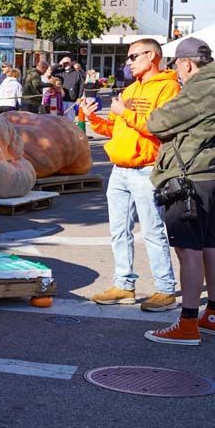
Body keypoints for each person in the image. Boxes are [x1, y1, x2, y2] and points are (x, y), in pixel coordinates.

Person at [141, 38, 215, 346]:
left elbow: (157, 122)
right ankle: (213, 314)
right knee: (209, 243)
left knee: (188, 249)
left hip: (190, 177)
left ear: (186, 63)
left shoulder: (202, 86)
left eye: (178, 68)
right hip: (212, 175)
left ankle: (187, 323)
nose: (177, 74)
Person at [79, 37, 180, 310]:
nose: (128, 62)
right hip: (120, 170)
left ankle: (165, 289)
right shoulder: (130, 89)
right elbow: (113, 128)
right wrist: (92, 118)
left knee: (153, 231)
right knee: (118, 231)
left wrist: (124, 113)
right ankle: (124, 285)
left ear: (152, 56)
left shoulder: (169, 88)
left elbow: (162, 128)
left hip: (146, 169)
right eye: (128, 58)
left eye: (133, 56)